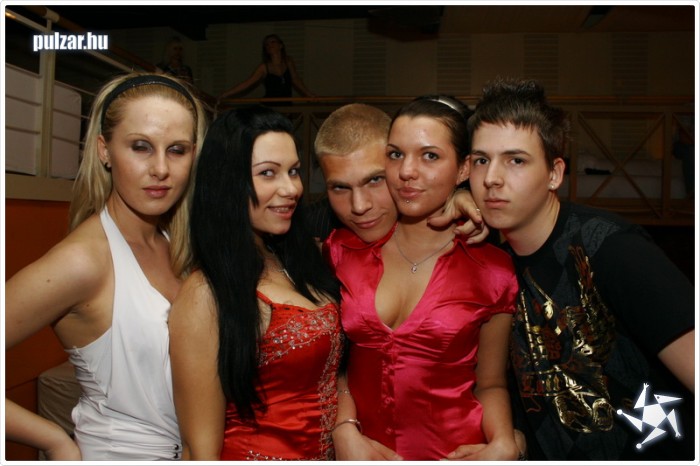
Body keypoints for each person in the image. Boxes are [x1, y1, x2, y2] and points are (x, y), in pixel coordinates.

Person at [467, 77, 695, 461]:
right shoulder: (492, 265)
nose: (491, 178)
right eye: (481, 160)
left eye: (516, 160)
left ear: (555, 174)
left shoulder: (613, 249)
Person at [5, 72, 207, 460]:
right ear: (104, 150)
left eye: (177, 150)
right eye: (141, 147)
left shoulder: (172, 243)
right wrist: (53, 439)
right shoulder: (83, 261)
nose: (161, 168)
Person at [324, 97, 522, 460]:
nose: (406, 171)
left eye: (429, 156)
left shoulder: (494, 270)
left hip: (453, 452)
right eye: (395, 155)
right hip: (363, 452)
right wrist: (343, 427)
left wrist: (504, 442)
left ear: (463, 169)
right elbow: (331, 365)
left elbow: (491, 382)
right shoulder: (343, 250)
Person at [168, 105, 342, 460]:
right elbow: (200, 450)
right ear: (228, 183)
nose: (291, 188)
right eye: (268, 173)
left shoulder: (294, 258)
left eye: (293, 171)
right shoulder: (205, 294)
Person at [218, 34, 314, 105]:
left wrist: (309, 94)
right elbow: (248, 83)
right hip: (270, 106)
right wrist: (226, 94)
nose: (269, 45)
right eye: (267, 44)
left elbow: (295, 79)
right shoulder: (264, 67)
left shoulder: (288, 61)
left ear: (280, 45)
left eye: (273, 42)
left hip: (286, 105)